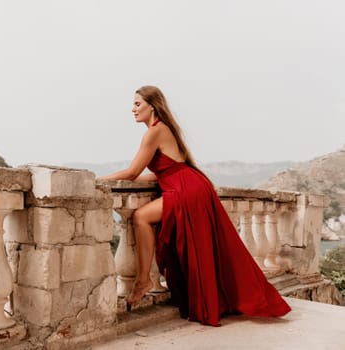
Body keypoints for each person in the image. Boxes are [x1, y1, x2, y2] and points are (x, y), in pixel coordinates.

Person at [98, 85, 291, 326]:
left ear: (152, 105)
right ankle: (145, 279)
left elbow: (132, 171)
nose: (132, 109)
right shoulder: (162, 130)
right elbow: (156, 174)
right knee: (196, 241)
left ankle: (143, 280)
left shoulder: (154, 132)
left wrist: (96, 179)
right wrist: (118, 177)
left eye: (137, 104)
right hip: (189, 184)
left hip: (187, 188)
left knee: (140, 217)